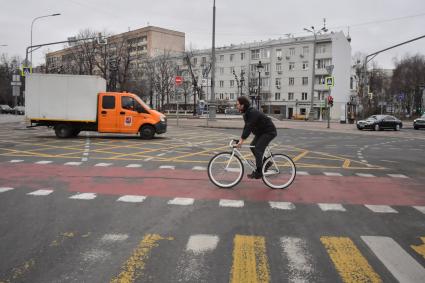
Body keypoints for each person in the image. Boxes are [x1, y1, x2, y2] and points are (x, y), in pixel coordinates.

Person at [236, 96, 277, 179]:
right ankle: (266, 162)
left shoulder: (252, 112)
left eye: (237, 104)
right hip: (261, 132)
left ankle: (259, 171)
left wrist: (242, 140)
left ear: (242, 105)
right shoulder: (246, 113)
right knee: (253, 146)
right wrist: (240, 139)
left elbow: (249, 126)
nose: (236, 106)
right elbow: (246, 127)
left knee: (258, 148)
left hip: (268, 132)